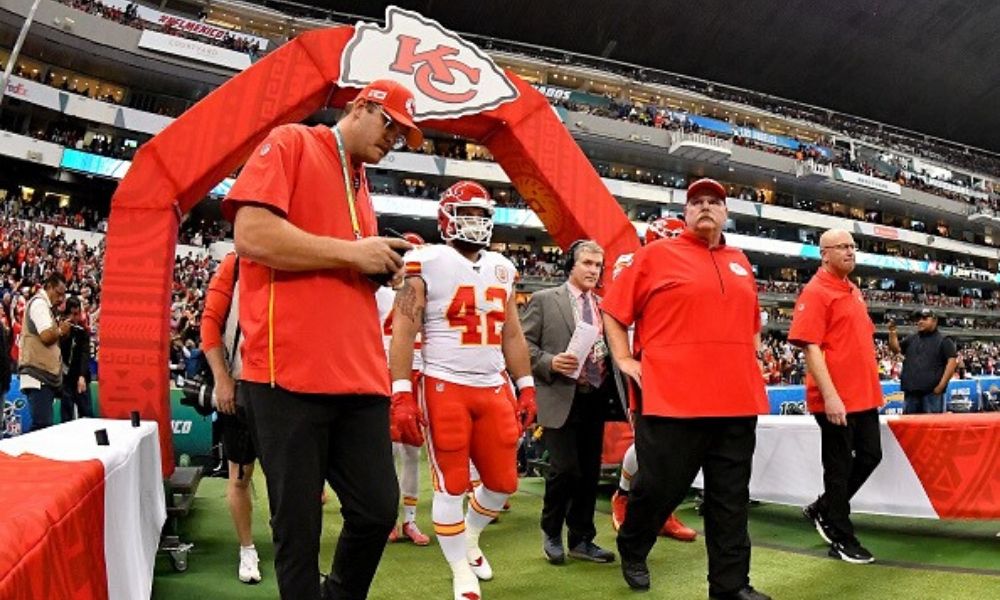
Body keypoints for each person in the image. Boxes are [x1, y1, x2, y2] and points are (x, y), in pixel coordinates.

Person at [222, 78, 421, 600]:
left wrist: (375, 267)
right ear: (360, 106)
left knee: (378, 508)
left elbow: (332, 259)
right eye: (390, 126)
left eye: (402, 136)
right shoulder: (293, 141)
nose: (392, 141)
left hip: (356, 375)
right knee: (298, 530)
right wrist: (354, 254)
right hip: (286, 374)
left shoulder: (359, 182)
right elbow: (252, 235)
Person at [602, 178, 770, 599]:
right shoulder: (654, 256)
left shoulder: (740, 261)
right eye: (697, 202)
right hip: (672, 399)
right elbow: (613, 311)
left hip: (735, 400)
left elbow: (751, 324)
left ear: (726, 213)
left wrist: (751, 360)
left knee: (731, 500)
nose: (706, 207)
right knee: (660, 489)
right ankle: (634, 543)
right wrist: (623, 359)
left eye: (715, 201)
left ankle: (730, 587)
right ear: (686, 212)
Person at [388, 180, 536, 600]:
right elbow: (405, 326)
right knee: (452, 484)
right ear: (447, 217)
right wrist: (401, 391)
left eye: (481, 215)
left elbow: (511, 334)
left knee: (503, 482)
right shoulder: (425, 260)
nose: (475, 223)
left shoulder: (503, 267)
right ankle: (459, 571)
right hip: (443, 383)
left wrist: (525, 386)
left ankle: (470, 537)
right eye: (467, 214)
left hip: (492, 386)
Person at [788, 228, 883, 565]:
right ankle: (840, 534)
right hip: (836, 397)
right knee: (839, 468)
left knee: (871, 455)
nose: (850, 251)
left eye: (853, 246)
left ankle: (825, 507)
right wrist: (830, 396)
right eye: (842, 246)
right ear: (823, 254)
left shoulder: (852, 289)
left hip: (864, 395)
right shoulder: (815, 292)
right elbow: (810, 347)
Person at [522, 239, 619, 567]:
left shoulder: (605, 307)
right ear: (571, 266)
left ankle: (581, 538)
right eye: (587, 263)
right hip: (559, 396)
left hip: (595, 398)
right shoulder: (544, 300)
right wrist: (550, 362)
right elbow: (522, 346)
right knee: (564, 469)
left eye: (597, 265)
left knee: (590, 473)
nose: (593, 270)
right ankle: (551, 532)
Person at [609, 216, 697, 542]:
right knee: (649, 440)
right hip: (640, 360)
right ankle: (624, 496)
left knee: (679, 444)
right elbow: (620, 312)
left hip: (681, 362)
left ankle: (663, 510)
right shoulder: (632, 263)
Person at [200, 251, 262, 584]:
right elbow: (210, 321)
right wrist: (222, 378)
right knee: (240, 475)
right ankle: (247, 548)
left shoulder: (295, 257)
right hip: (240, 385)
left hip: (283, 387)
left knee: (292, 474)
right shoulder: (234, 264)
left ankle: (291, 545)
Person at [375, 232, 430, 546]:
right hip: (385, 375)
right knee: (388, 451)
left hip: (420, 374)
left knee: (412, 451)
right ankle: (386, 518)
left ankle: (409, 519)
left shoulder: (427, 293)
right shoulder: (378, 292)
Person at [18, 273, 69, 432]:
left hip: (43, 376)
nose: (61, 298)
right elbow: (47, 336)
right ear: (49, 287)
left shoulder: (46, 307)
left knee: (42, 426)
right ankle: (29, 457)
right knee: (41, 426)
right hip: (37, 375)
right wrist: (60, 330)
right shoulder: (39, 304)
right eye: (59, 293)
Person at [888, 308, 957, 414]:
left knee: (932, 427)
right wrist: (892, 332)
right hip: (911, 392)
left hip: (931, 393)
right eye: (918, 319)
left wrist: (941, 386)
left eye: (925, 318)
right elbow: (896, 349)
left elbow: (951, 363)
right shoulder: (912, 338)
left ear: (934, 321)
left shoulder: (944, 340)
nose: (920, 321)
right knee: (910, 427)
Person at [58, 296, 93, 422]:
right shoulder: (59, 330)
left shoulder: (83, 332)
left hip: (80, 377)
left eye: (77, 314)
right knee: (66, 417)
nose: (75, 318)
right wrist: (62, 333)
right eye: (72, 314)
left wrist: (82, 376)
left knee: (87, 414)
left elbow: (85, 354)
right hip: (65, 379)